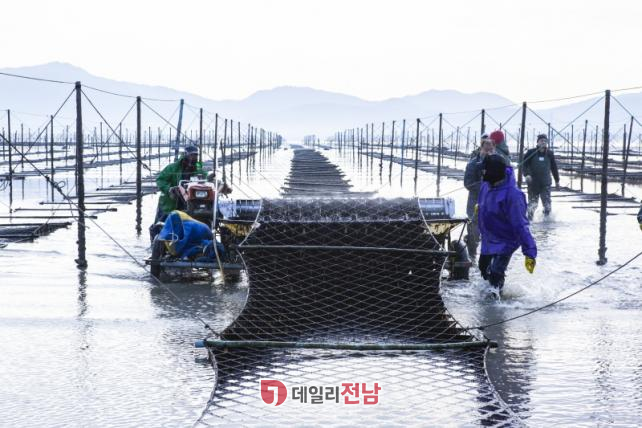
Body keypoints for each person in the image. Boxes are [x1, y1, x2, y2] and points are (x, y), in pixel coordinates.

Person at [477, 154, 537, 295]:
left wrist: (529, 253)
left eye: (485, 170)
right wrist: (479, 208)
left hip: (506, 240)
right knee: (483, 267)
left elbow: (521, 225)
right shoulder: (486, 185)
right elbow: (482, 201)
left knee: (496, 273)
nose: (482, 172)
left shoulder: (513, 195)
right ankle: (485, 296)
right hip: (489, 237)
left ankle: (497, 302)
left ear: (494, 172)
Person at [154, 145, 205, 223]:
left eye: (195, 155)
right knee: (163, 223)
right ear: (185, 155)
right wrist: (169, 189)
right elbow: (161, 180)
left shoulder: (198, 169)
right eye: (191, 155)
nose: (193, 158)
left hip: (190, 202)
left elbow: (205, 179)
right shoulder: (172, 168)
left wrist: (211, 180)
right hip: (171, 201)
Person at [464, 134, 494, 255]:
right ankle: (471, 256)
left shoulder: (496, 163)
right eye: (486, 148)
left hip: (491, 203)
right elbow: (467, 184)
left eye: (491, 148)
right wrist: (483, 186)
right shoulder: (472, 164)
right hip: (475, 202)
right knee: (474, 234)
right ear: (481, 148)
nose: (488, 151)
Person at [522, 134, 560, 220]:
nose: (543, 142)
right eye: (541, 140)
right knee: (532, 205)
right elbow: (524, 165)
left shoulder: (550, 154)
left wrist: (557, 181)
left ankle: (546, 223)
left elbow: (554, 168)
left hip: (545, 183)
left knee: (547, 206)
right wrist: (527, 174)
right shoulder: (531, 152)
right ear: (537, 142)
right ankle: (529, 222)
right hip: (533, 183)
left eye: (545, 141)